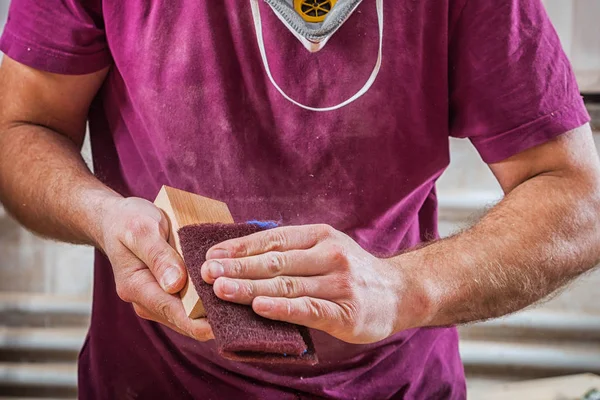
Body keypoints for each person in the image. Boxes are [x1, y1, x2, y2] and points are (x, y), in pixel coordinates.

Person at [0, 0, 598, 398]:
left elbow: (577, 198)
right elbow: (20, 129)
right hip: (150, 381)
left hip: (395, 386)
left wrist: (402, 289)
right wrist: (104, 217)